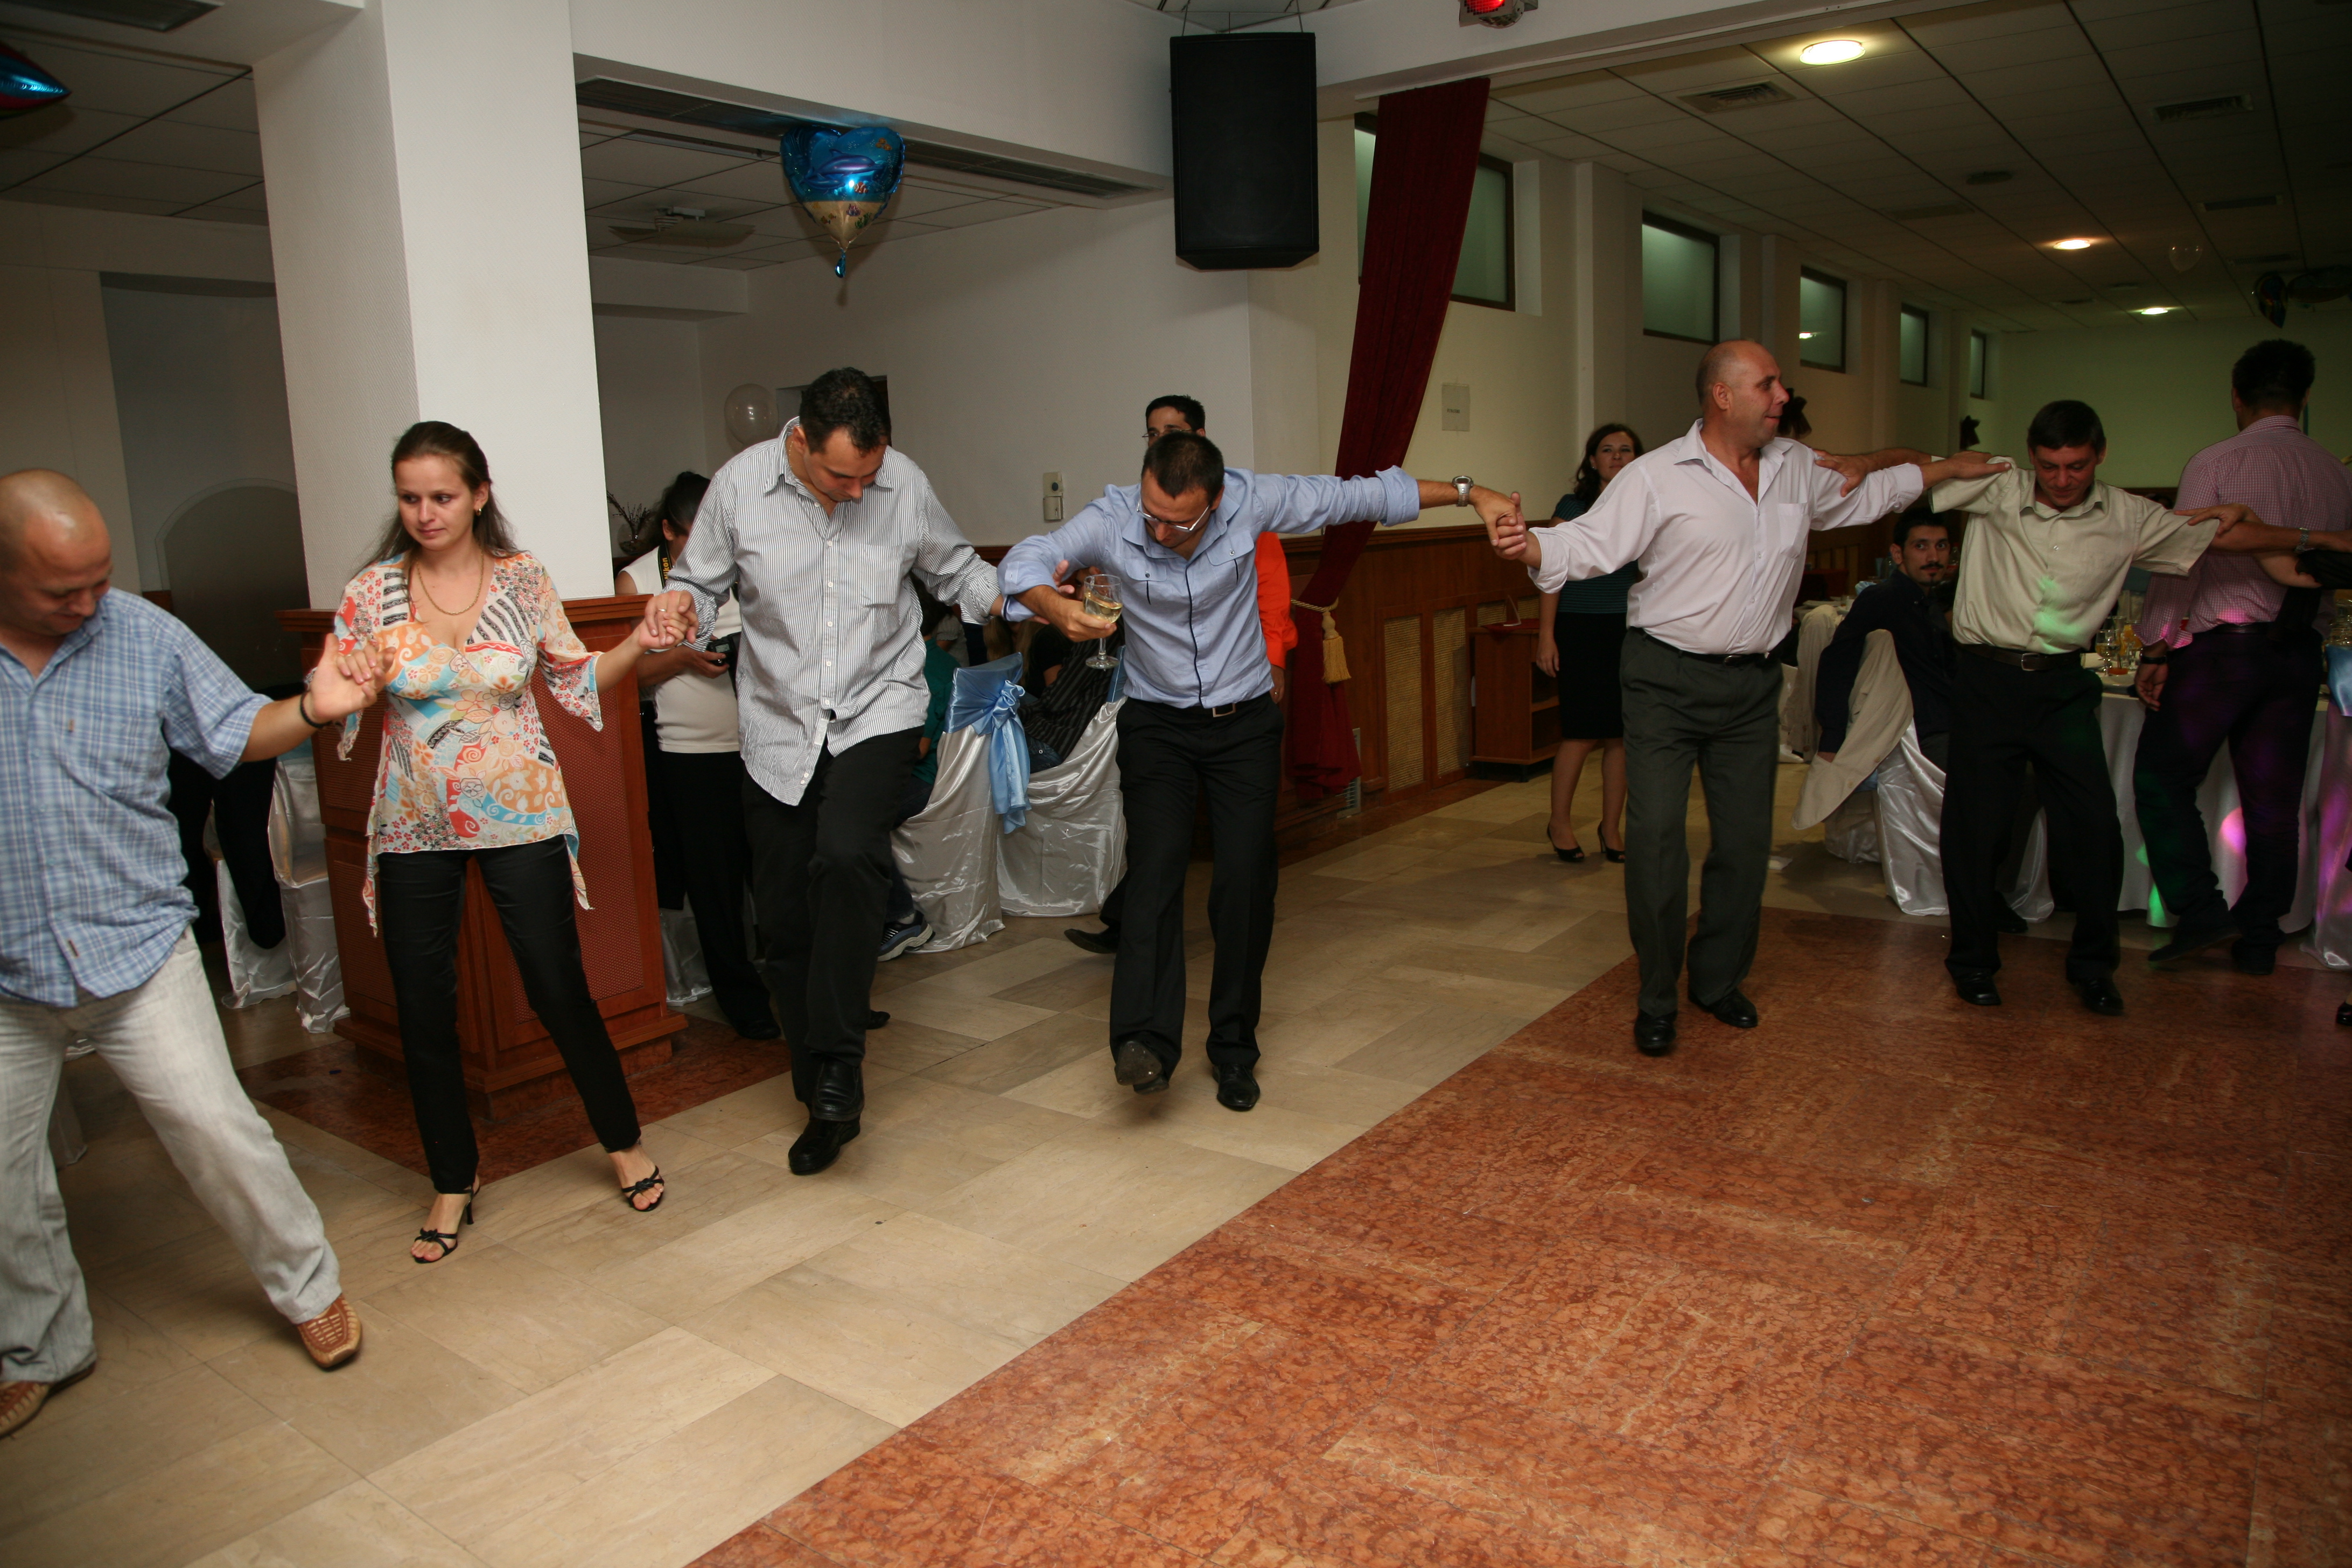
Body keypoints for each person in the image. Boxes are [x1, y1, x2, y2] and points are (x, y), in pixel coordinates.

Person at [1489, 341, 2006, 1057]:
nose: (1782, 395)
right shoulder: (1656, 476)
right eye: (1768, 384)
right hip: (1664, 679)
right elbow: (1585, 545)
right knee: (1657, 839)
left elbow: (1875, 490)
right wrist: (1528, 547)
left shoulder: (1796, 466)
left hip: (1752, 684)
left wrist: (1946, 468)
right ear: (1723, 396)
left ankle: (1718, 979)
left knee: (1742, 843)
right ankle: (1657, 995)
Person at [1, 469, 378, 1440]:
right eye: (63, 590)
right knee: (3, 1176)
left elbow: (235, 730)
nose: (89, 603)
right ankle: (39, 1347)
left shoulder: (142, 633)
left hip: (139, 946)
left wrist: (313, 705)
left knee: (217, 1127)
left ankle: (310, 1288)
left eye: (101, 580)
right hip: (6, 967)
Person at [1007, 431, 1523, 1109]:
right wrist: (1055, 605)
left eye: (1177, 523)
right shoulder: (1114, 517)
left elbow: (1362, 495)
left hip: (1243, 725)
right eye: (1152, 515)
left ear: (1217, 501)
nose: (1159, 532)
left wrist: (1470, 493)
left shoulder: (1252, 500)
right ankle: (1144, 1042)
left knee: (1244, 884)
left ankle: (1233, 1046)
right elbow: (1025, 560)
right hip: (1158, 726)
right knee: (1155, 873)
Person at [333, 422, 681, 1264]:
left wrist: (638, 644)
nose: (425, 513)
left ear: (478, 494)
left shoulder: (522, 579)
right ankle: (453, 1179)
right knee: (423, 1008)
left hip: (522, 815)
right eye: (410, 498)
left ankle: (623, 1141)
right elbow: (336, 694)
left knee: (558, 987)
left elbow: (573, 676)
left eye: (442, 496)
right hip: (414, 825)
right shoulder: (371, 593)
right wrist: (345, 684)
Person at [650, 368, 1001, 1178]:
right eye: (841, 476)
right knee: (784, 921)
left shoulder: (901, 482)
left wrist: (1030, 598)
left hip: (880, 707)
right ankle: (820, 1096)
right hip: (778, 726)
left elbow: (957, 570)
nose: (856, 491)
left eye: (868, 476)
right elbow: (696, 585)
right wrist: (677, 609)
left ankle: (840, 1065)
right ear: (800, 440)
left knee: (847, 852)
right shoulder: (740, 488)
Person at [1927, 398, 2313, 1013]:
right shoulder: (1995, 487)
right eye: (2049, 466)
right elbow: (1917, 472)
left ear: (2101, 454)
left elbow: (2223, 535)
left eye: (2076, 466)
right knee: (1976, 831)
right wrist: (1876, 461)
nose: (2061, 480)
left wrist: (2315, 540)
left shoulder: (2130, 516)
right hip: (1985, 681)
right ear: (2031, 458)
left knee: (2095, 832)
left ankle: (2093, 967)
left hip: (2063, 688)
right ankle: (1972, 962)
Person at [2133, 340, 2352, 975]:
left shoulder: (2217, 461)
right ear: (2304, 397)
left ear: (2236, 396)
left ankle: (2201, 909)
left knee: (2160, 777)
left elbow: (2183, 558)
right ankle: (2260, 938)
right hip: (2298, 649)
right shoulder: (2336, 473)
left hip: (2223, 654)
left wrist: (2156, 643)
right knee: (2274, 803)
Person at [1064, 394, 1296, 956]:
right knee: (1157, 845)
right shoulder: (1128, 514)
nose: (1159, 440)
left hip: (1238, 702)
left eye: (1171, 430)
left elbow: (1270, 592)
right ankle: (1131, 925)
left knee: (1240, 862)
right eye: (1151, 433)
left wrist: (1275, 660)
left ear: (1199, 438)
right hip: (1158, 705)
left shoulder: (1240, 509)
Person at [618, 472, 779, 1039]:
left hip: (765, 745)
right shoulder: (638, 579)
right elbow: (630, 673)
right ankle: (743, 1001)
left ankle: (814, 993)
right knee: (716, 887)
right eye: (695, 535)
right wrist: (685, 657)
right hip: (690, 753)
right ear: (669, 531)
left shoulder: (746, 563)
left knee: (784, 876)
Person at [1535, 423, 1642, 863]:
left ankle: (1611, 829)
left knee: (1621, 736)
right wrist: (1546, 635)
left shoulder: (1644, 505)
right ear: (1593, 460)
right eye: (1608, 450)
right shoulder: (1573, 506)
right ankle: (1559, 823)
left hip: (1628, 628)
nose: (1617, 457)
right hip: (1578, 627)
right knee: (1580, 733)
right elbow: (1551, 569)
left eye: (1626, 450)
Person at [1814, 508, 1957, 769]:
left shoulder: (1931, 602)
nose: (1934, 557)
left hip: (1946, 724)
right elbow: (1837, 666)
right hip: (1912, 737)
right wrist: (1832, 740)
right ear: (1898, 554)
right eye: (1921, 546)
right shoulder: (1882, 599)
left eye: (1941, 546)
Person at [879, 619, 957, 961]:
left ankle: (902, 917)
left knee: (854, 820)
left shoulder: (918, 668)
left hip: (923, 778)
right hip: (950, 775)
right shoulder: (944, 659)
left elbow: (918, 749)